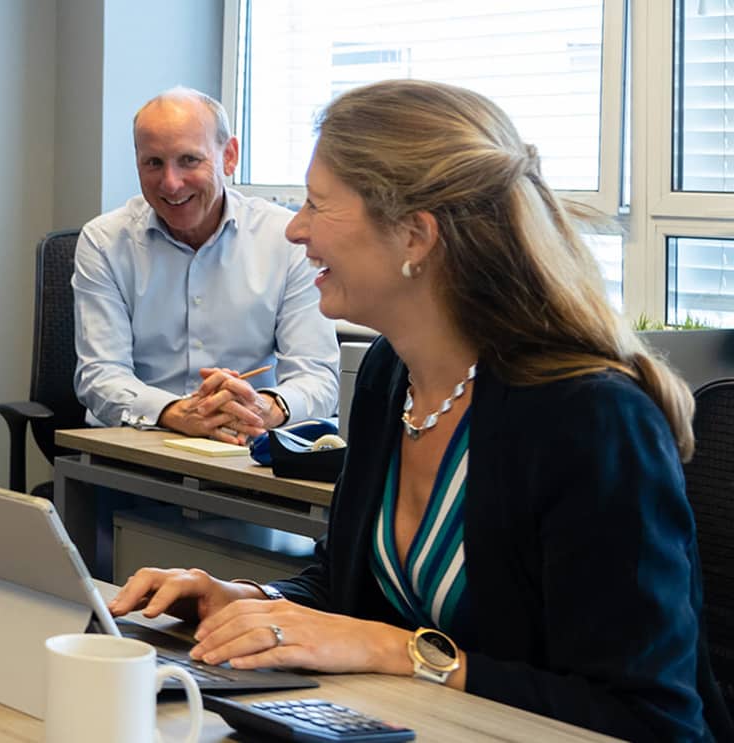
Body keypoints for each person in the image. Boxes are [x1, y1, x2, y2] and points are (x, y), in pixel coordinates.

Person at [109, 79, 729, 740]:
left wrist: (397, 650)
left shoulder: (590, 419)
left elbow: (651, 718)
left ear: (415, 235)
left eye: (317, 204)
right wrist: (250, 598)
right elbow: (354, 592)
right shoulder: (390, 374)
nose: (295, 229)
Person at [73, 87, 338, 446]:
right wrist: (177, 413)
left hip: (246, 446)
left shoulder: (287, 239)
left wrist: (266, 407)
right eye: (153, 163)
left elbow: (317, 376)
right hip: (137, 445)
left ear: (229, 157)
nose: (170, 182)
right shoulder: (104, 241)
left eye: (189, 160)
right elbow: (100, 375)